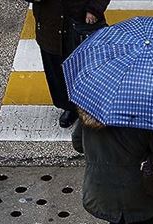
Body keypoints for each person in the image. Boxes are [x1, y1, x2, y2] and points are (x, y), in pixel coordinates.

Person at [30, 0, 110, 128]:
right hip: (50, 25)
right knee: (57, 70)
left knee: (88, 68)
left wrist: (94, 9)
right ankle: (70, 107)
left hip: (82, 23)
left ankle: (94, 106)